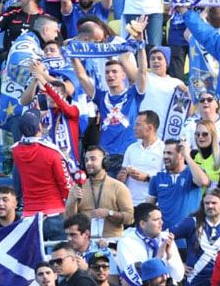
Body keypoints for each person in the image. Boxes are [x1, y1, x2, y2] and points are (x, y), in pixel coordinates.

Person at [74, 43, 149, 177]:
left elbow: (142, 72)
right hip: (105, 156)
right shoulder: (101, 96)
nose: (110, 75)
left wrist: (141, 46)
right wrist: (72, 55)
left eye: (115, 72)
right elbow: (81, 77)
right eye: (107, 72)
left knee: (125, 197)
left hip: (127, 156)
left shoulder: (134, 94)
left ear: (124, 75)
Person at [11, 112, 71, 239]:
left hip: (30, 216)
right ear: (39, 127)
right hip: (54, 212)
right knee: (60, 256)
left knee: (35, 258)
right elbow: (65, 184)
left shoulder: (16, 151)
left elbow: (23, 142)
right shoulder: (52, 152)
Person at [63, 146, 134, 238]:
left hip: (111, 242)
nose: (88, 163)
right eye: (86, 160)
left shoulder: (119, 187)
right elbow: (68, 221)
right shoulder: (78, 188)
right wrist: (73, 201)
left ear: (105, 162)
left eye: (93, 159)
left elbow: (130, 219)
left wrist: (109, 213)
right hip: (85, 244)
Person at [117, 203, 185, 286]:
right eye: (156, 219)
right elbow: (136, 281)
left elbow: (178, 276)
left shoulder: (166, 238)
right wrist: (158, 259)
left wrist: (169, 257)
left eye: (161, 218)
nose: (161, 222)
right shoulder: (126, 242)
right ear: (142, 224)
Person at [148, 139, 210, 230]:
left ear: (181, 155)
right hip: (166, 236)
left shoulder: (192, 173)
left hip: (191, 236)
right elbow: (148, 207)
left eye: (169, 153)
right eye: (164, 153)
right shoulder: (157, 178)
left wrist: (187, 156)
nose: (165, 156)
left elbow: (203, 182)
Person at [119, 110, 165, 206]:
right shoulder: (131, 148)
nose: (134, 128)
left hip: (152, 205)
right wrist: (122, 176)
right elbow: (122, 173)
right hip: (129, 204)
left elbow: (167, 180)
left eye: (138, 125)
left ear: (149, 127)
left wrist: (147, 178)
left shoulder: (164, 150)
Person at [190, 120, 220, 195]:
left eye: (205, 134)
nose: (200, 137)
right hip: (192, 204)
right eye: (197, 134)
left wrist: (209, 183)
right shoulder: (192, 155)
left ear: (212, 135)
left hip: (210, 204)